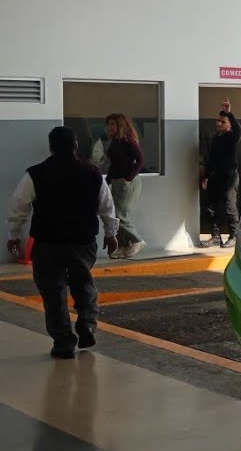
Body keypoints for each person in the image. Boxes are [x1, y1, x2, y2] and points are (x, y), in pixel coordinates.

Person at [7, 126, 119, 359]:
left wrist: (14, 236)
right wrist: (111, 234)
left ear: (51, 147)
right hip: (82, 242)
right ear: (75, 146)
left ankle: (63, 343)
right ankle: (87, 324)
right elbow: (107, 206)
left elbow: (19, 207)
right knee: (83, 284)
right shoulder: (92, 173)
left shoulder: (35, 174)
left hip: (48, 243)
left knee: (53, 293)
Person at [199, 98, 241, 248]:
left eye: (223, 122)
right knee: (211, 207)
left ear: (229, 125)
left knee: (230, 206)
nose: (218, 124)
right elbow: (212, 160)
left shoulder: (231, 137)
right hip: (216, 176)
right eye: (218, 121)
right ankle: (215, 236)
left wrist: (229, 113)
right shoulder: (216, 138)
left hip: (229, 176)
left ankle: (234, 236)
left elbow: (238, 131)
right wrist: (206, 176)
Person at [103, 113, 146, 258]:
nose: (109, 127)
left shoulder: (128, 141)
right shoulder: (115, 142)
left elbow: (140, 160)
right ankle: (123, 245)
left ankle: (136, 240)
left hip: (127, 182)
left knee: (119, 215)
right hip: (116, 181)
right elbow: (114, 165)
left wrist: (128, 178)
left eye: (113, 124)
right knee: (114, 215)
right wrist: (107, 181)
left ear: (120, 126)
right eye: (108, 124)